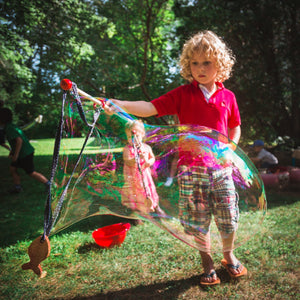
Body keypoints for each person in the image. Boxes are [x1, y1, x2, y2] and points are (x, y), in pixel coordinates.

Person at [105, 30, 246, 285]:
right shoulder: (182, 94)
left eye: (207, 62)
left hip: (221, 168)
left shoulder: (228, 97)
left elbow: (235, 126)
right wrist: (120, 103)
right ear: (187, 65)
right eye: (195, 63)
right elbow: (150, 108)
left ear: (220, 64)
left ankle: (228, 254)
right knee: (197, 218)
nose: (200, 68)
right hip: (191, 171)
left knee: (229, 216)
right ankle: (207, 260)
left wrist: (231, 147)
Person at [0, 107, 50, 193]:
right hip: (22, 153)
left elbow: (19, 141)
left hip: (25, 153)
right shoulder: (10, 127)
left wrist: (15, 156)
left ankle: (49, 184)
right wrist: (12, 153)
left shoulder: (10, 128)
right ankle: (17, 187)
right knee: (13, 168)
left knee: (31, 172)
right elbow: (15, 143)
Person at [121, 120, 160, 214]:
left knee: (148, 190)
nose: (133, 140)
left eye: (136, 136)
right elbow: (128, 161)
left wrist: (148, 162)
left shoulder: (146, 147)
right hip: (133, 177)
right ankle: (137, 211)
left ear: (142, 134)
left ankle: (155, 206)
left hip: (145, 175)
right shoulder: (127, 149)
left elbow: (152, 158)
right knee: (135, 193)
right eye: (130, 137)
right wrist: (136, 158)